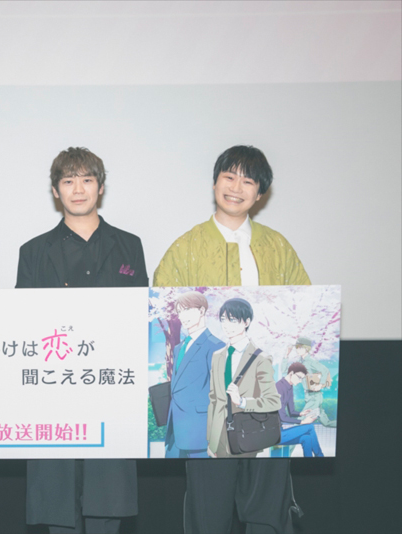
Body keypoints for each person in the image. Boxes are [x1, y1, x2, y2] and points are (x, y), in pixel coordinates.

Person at [154, 145, 310, 534]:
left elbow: (301, 306)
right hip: (208, 402)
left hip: (261, 394)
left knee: (267, 506)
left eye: (248, 181)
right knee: (209, 508)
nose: (236, 187)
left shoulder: (277, 247)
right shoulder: (185, 247)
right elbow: (167, 316)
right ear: (214, 183)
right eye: (229, 177)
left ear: (260, 194)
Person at [17, 147, 146, 533]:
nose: (78, 189)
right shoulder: (33, 251)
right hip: (53, 392)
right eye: (68, 180)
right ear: (55, 190)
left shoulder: (129, 245)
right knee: (58, 507)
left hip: (111, 390)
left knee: (107, 505)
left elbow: (141, 316)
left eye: (87, 180)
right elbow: (22, 325)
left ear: (100, 187)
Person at [207, 298, 281, 458]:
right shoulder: (217, 356)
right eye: (223, 320)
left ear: (246, 322)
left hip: (245, 435)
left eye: (233, 320)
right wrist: (210, 441)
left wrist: (242, 402)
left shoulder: (260, 359)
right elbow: (213, 399)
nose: (226, 325)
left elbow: (274, 401)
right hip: (218, 438)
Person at [166, 291, 226, 458]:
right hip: (175, 430)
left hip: (200, 433)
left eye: (187, 310)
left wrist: (216, 438)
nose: (182, 316)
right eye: (179, 311)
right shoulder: (179, 348)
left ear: (201, 311)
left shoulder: (215, 346)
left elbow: (220, 395)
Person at [285, 337, 336, 427]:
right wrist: (286, 355)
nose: (298, 350)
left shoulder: (311, 361)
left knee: (300, 421)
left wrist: (320, 384)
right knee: (326, 423)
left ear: (307, 348)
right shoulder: (299, 362)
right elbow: (286, 371)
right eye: (297, 348)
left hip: (314, 397)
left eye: (300, 348)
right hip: (308, 395)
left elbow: (325, 370)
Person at [276, 362, 324, 457]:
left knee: (306, 438)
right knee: (309, 427)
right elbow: (282, 417)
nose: (300, 381)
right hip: (275, 435)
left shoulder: (289, 386)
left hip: (280, 432)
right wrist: (302, 422)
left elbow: (291, 412)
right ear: (291, 373)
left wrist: (301, 414)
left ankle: (309, 464)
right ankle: (320, 457)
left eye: (302, 379)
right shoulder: (279, 387)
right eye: (299, 377)